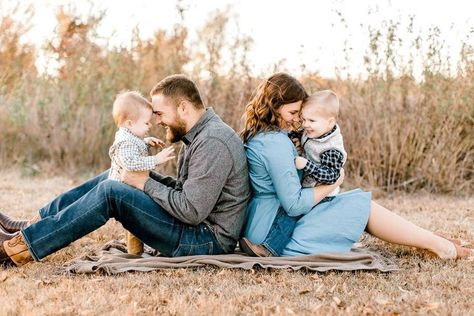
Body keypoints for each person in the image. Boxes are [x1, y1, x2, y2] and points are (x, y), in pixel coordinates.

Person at [0, 74, 250, 267]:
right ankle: (31, 226)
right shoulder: (198, 135)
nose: (158, 121)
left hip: (204, 241)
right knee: (115, 175)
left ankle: (16, 249)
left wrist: (144, 183)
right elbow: (185, 191)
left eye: (160, 114)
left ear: (183, 108)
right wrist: (143, 177)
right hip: (195, 229)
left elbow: (192, 210)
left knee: (112, 192)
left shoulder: (213, 142)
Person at [239, 72, 472, 259]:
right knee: (361, 206)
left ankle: (431, 239)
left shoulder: (267, 135)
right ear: (274, 105)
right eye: (292, 112)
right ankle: (437, 245)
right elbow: (294, 205)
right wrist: (334, 183)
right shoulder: (274, 143)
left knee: (355, 202)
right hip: (273, 232)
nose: (297, 119)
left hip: (265, 220)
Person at [240, 89, 347, 256]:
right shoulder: (311, 132)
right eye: (301, 117)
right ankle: (271, 247)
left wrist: (307, 166)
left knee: (288, 217)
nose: (303, 124)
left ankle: (269, 248)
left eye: (310, 120)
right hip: (305, 191)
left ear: (330, 122)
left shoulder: (331, 148)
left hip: (322, 193)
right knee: (289, 213)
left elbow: (331, 176)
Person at [108, 91, 176, 255]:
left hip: (131, 188)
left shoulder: (129, 136)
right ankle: (135, 254)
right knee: (133, 223)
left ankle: (137, 250)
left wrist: (145, 142)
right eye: (146, 123)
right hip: (124, 193)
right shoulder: (125, 142)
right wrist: (156, 159)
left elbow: (134, 146)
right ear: (130, 123)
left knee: (135, 223)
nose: (150, 126)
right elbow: (130, 162)